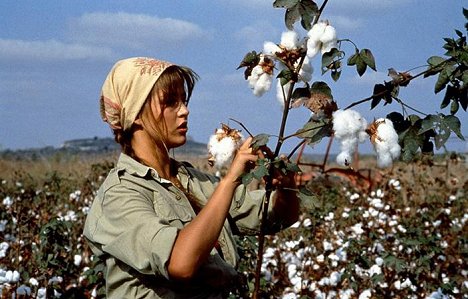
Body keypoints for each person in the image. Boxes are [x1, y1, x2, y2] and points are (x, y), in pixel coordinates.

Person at [83, 57, 300, 298]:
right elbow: (180, 263)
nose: (184, 110)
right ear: (135, 113)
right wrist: (230, 181)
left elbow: (276, 215)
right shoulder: (120, 194)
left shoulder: (192, 181)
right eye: (170, 102)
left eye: (184, 101)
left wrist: (285, 185)